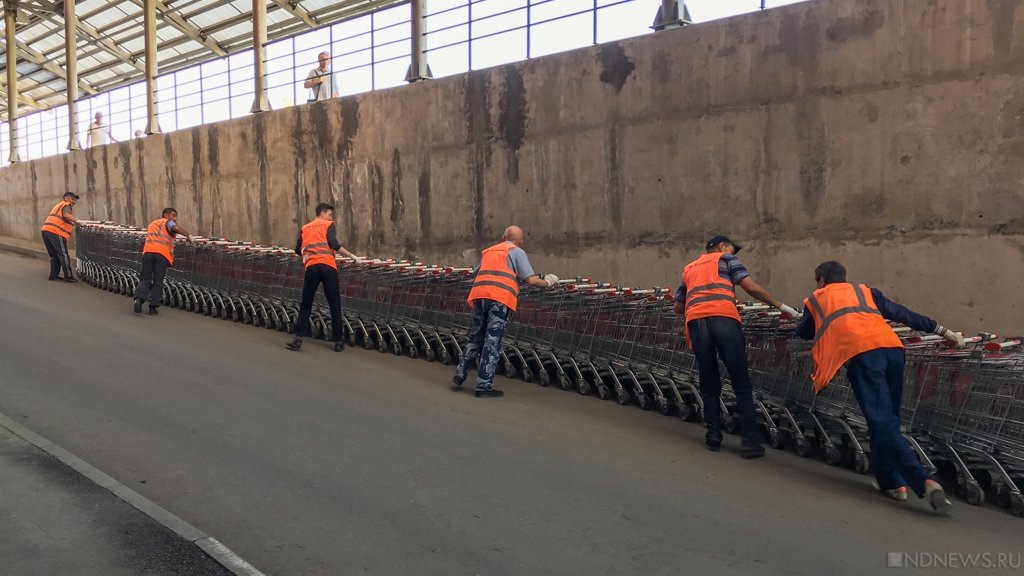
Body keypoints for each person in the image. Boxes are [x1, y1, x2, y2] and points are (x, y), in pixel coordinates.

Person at [795, 260, 963, 514]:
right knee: (887, 420)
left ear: (820, 280)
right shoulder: (865, 291)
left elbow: (804, 331)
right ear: (844, 277)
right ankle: (890, 481)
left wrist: (803, 317)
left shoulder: (817, 298)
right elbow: (901, 313)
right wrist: (942, 330)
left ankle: (924, 481)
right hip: (892, 350)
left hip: (863, 355)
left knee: (882, 421)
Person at [673, 235, 798, 458]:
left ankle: (713, 436)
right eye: (732, 249)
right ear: (721, 246)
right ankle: (750, 443)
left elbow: (678, 308)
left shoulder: (689, 268)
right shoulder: (726, 259)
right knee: (740, 382)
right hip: (724, 319)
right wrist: (782, 306)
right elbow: (750, 287)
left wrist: (700, 301)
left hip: (697, 323)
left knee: (709, 381)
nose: (733, 253)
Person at [453, 226, 559, 398]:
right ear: (520, 241)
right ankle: (483, 386)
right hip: (499, 300)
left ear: (504, 237)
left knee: (476, 337)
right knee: (492, 341)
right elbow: (531, 280)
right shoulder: (517, 252)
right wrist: (548, 282)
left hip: (480, 296)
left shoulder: (489, 251)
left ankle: (460, 373)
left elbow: (477, 271)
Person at [286, 203, 360, 352]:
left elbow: (297, 249)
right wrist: (352, 256)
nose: (331, 218)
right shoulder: (328, 225)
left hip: (311, 268)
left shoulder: (305, 228)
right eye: (330, 215)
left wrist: (309, 255)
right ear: (322, 213)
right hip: (328, 267)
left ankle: (298, 339)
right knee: (334, 303)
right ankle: (338, 341)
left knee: (306, 303)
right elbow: (334, 244)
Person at [134, 208, 191, 315]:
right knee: (158, 280)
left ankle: (139, 300)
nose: (175, 218)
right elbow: (175, 228)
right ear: (166, 215)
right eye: (173, 215)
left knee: (145, 278)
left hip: (148, 252)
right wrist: (189, 235)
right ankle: (153, 306)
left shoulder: (153, 224)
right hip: (162, 255)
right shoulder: (168, 222)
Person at [39, 192, 81, 282]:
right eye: (72, 198)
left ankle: (53, 275)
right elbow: (66, 215)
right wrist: (77, 221)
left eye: (75, 199)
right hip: (56, 232)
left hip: (46, 231)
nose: (74, 201)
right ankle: (68, 276)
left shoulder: (58, 205)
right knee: (63, 254)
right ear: (66, 198)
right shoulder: (66, 204)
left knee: (53, 255)